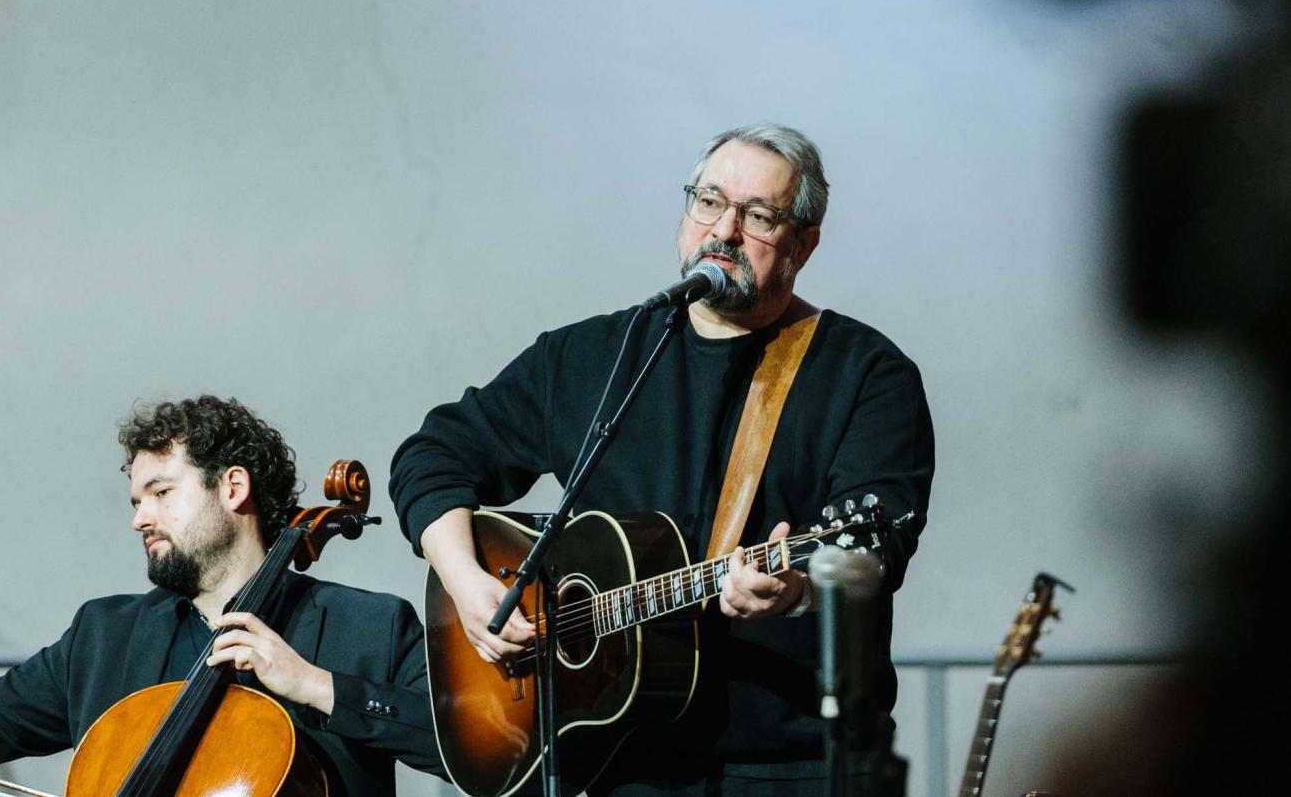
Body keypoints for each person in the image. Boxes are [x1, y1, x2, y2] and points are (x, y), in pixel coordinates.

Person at [390, 123, 934, 796]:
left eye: (758, 215)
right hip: (623, 760)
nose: (725, 231)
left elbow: (874, 551)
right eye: (709, 201)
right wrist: (467, 581)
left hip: (798, 765)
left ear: (804, 244)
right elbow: (432, 455)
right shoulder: (590, 357)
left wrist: (795, 591)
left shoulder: (865, 374)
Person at [0, 396, 442, 797]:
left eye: (161, 493)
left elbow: (481, 748)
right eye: (136, 503)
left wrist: (317, 687)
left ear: (233, 487)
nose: (141, 519)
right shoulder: (102, 635)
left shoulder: (371, 626)